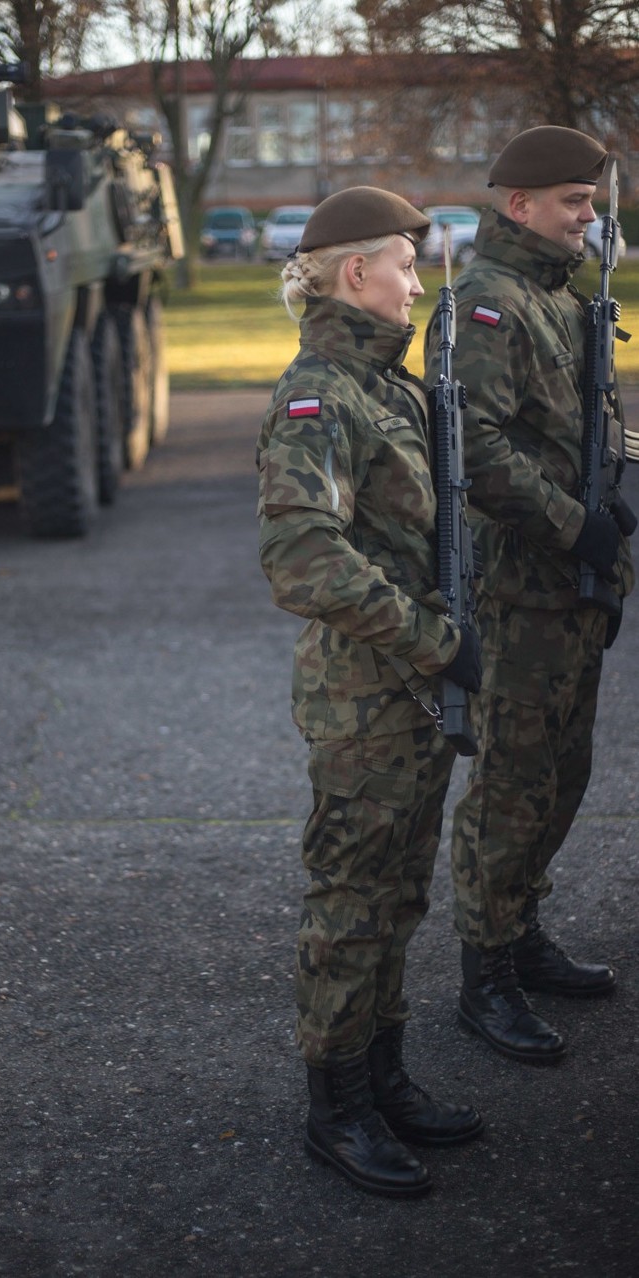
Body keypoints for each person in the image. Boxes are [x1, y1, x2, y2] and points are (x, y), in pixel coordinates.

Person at [256, 186, 484, 1199]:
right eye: (405, 263)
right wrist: (436, 640)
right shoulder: (321, 393)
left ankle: (382, 1080)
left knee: (397, 895)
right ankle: (336, 1108)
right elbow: (301, 557)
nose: (418, 281)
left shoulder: (387, 386)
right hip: (366, 697)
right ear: (357, 273)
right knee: (352, 903)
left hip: (409, 692)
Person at [423, 126, 636, 1064]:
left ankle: (521, 929)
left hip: (571, 588)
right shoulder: (487, 306)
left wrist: (609, 518)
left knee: (563, 777)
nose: (588, 221)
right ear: (519, 206)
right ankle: (486, 973)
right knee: (510, 788)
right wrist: (573, 523)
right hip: (519, 590)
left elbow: (586, 427)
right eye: (572, 205)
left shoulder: (559, 299)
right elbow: (478, 456)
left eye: (591, 205)